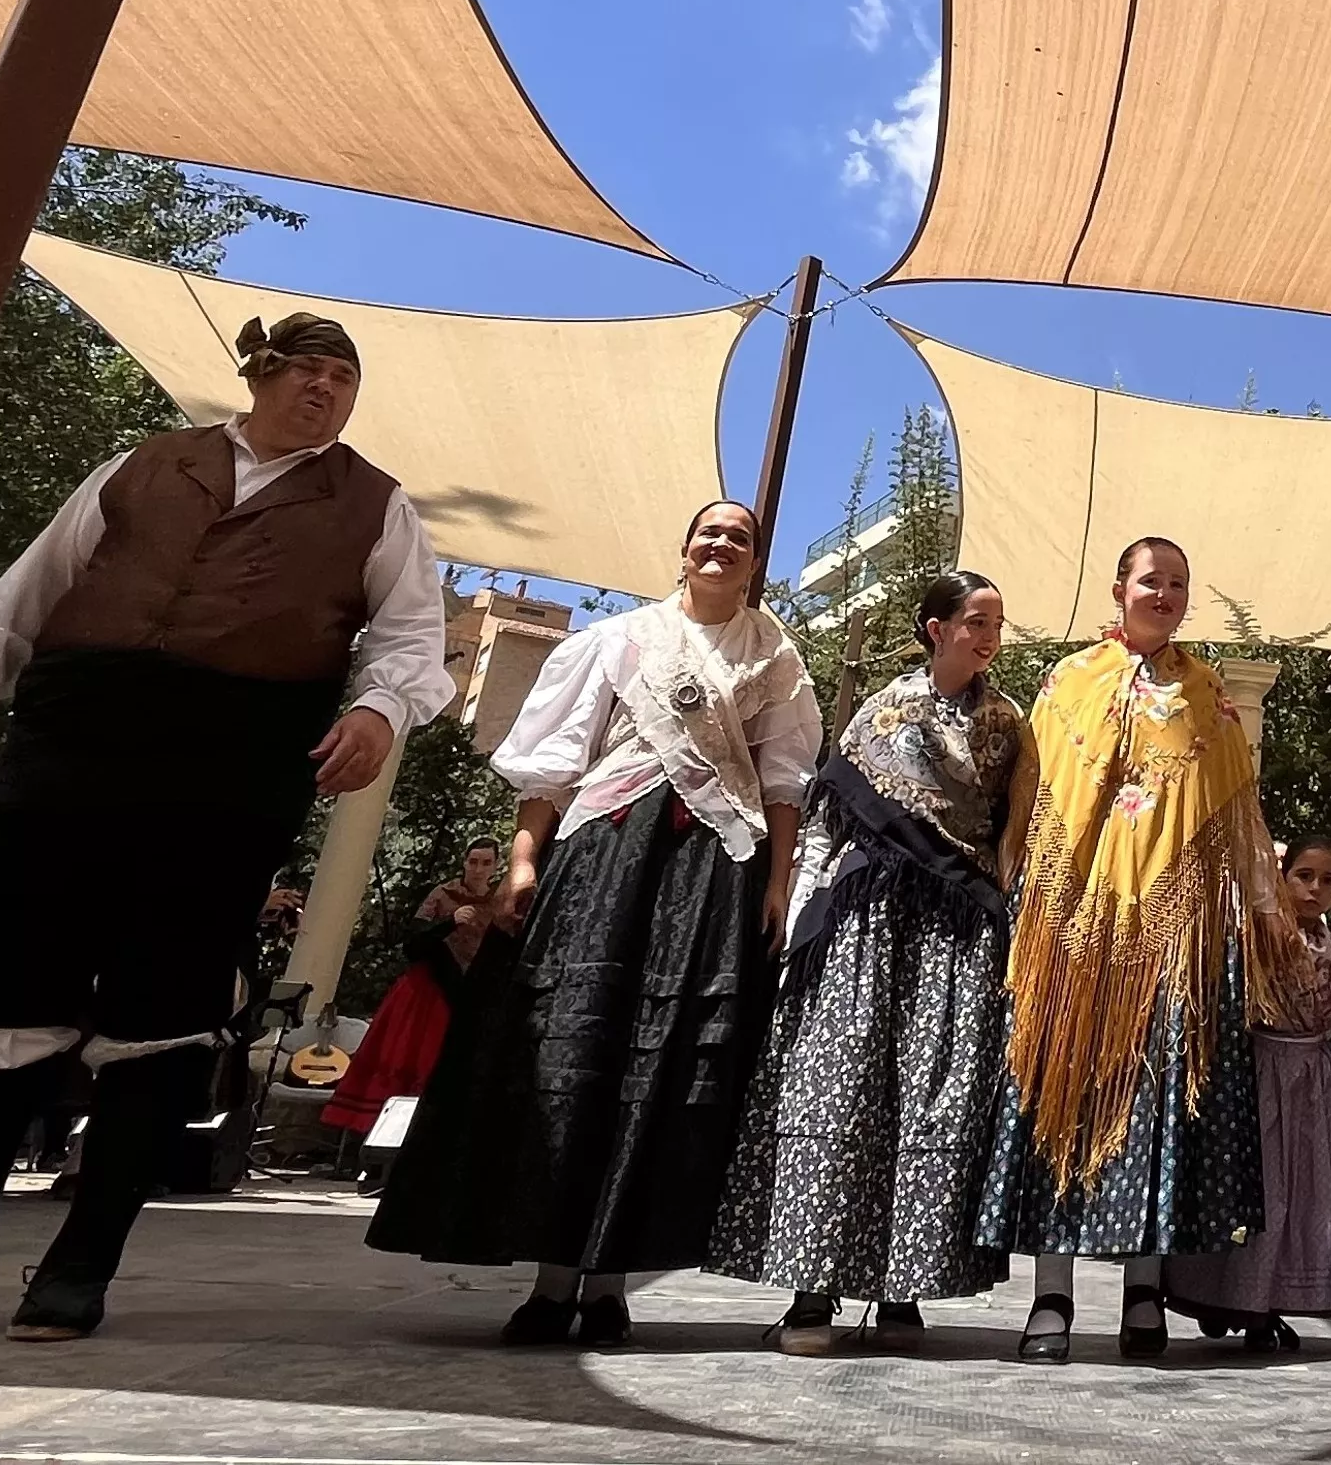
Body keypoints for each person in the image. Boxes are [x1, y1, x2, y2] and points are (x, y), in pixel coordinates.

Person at [0, 313, 450, 1343]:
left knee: (165, 1003)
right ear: (260, 376)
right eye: (307, 370)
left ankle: (79, 1267)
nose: (324, 389)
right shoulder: (141, 465)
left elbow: (407, 635)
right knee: (0, 981)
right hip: (75, 733)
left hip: (235, 754)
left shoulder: (375, 502)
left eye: (342, 377)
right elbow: (32, 585)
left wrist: (377, 708)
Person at [368, 502, 821, 1347]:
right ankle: (551, 1282)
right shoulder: (617, 641)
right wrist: (523, 860)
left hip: (714, 870)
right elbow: (556, 759)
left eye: (741, 536)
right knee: (576, 1049)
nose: (721, 543)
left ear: (756, 559)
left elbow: (784, 776)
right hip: (604, 856)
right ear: (683, 547)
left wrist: (779, 882)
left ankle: (609, 1283)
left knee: (665, 1053)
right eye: (709, 531)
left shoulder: (776, 654)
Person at [978, 536, 1289, 1364]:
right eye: (1153, 580)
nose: (1167, 593)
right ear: (1120, 588)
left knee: (1153, 1110)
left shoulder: (1206, 691)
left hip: (1169, 933)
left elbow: (1229, 813)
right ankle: (1051, 1295)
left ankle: (1143, 1292)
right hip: (1072, 929)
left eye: (1180, 583)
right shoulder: (1068, 682)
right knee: (1060, 1092)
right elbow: (1030, 798)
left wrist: (1248, 921)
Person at [710, 570, 1037, 1355]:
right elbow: (828, 814)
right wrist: (797, 915)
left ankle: (903, 1288)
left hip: (956, 927)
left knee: (934, 1098)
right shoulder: (879, 710)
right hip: (864, 918)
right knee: (839, 1090)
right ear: (936, 626)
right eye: (975, 620)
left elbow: (1015, 832)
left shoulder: (1007, 723)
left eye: (997, 621)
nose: (990, 635)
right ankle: (810, 1291)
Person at [1162, 837, 1331, 1350]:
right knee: (1257, 1193)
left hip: (1315, 1090)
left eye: (1327, 880)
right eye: (1303, 876)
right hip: (1257, 1077)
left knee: (1303, 1200)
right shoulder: (1255, 937)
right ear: (1283, 879)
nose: (1314, 889)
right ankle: (1234, 1298)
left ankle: (1271, 1302)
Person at [317, 845, 501, 1146]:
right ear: (464, 862)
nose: (478, 869)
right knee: (405, 1058)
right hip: (425, 994)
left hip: (470, 995)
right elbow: (412, 945)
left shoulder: (498, 901)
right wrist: (450, 921)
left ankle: (437, 1141)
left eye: (486, 863)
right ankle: (371, 1142)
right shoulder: (442, 895)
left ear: (495, 866)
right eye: (473, 861)